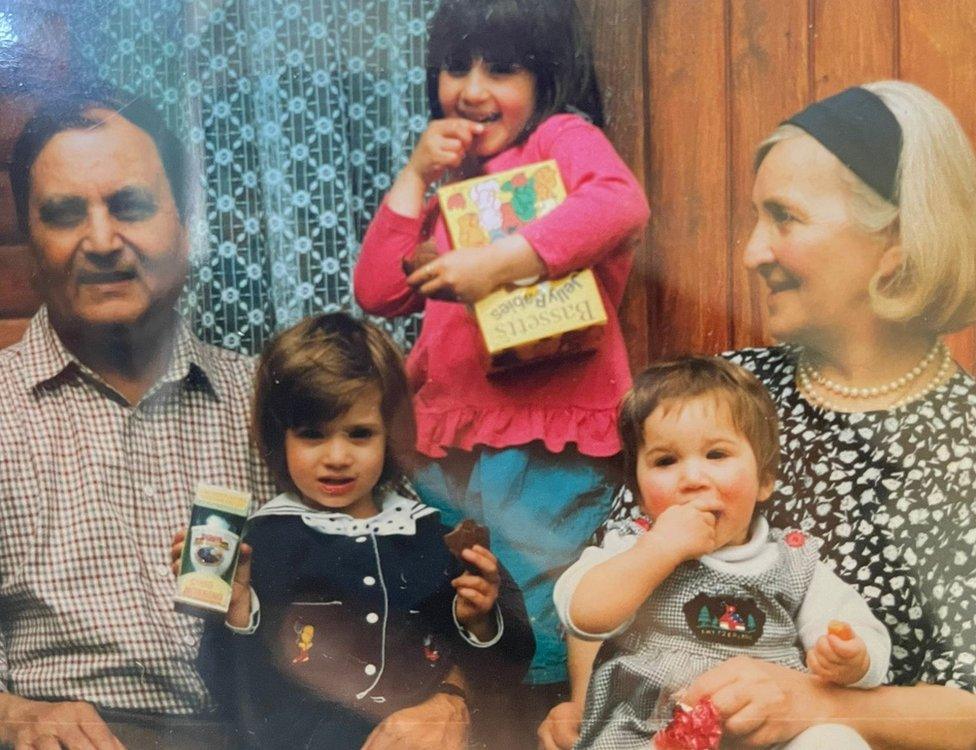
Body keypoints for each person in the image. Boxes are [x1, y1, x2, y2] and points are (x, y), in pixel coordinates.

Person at [539, 81, 976, 750]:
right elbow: (615, 559)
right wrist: (587, 712)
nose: (752, 252)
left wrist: (827, 707)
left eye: (785, 217)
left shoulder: (965, 442)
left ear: (894, 238)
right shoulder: (733, 391)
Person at [353, 0, 649, 729]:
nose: (474, 89)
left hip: (548, 433)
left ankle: (544, 718)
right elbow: (379, 290)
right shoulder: (454, 174)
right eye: (457, 67)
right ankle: (460, 712)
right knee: (458, 594)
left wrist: (501, 261)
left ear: (546, 77)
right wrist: (416, 173)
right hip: (447, 432)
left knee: (537, 592)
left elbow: (620, 203)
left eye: (503, 68)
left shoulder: (561, 138)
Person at [0, 88, 274, 748]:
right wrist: (14, 717)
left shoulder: (272, 400)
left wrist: (447, 700)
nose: (100, 241)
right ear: (31, 246)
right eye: (65, 216)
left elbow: (396, 579)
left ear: (184, 223)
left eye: (130, 206)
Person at [183, 312, 534, 749]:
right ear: (280, 439)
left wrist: (479, 621)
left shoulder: (430, 535)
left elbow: (509, 663)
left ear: (390, 436)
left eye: (360, 434)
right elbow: (230, 692)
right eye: (313, 435)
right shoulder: (261, 545)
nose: (337, 456)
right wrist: (237, 610)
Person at [554, 356, 889, 749]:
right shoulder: (632, 546)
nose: (693, 479)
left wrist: (854, 657)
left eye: (716, 455)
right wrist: (658, 549)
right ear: (640, 493)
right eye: (665, 461)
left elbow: (859, 628)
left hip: (763, 734)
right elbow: (583, 614)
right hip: (651, 731)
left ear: (764, 480)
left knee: (835, 739)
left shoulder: (794, 563)